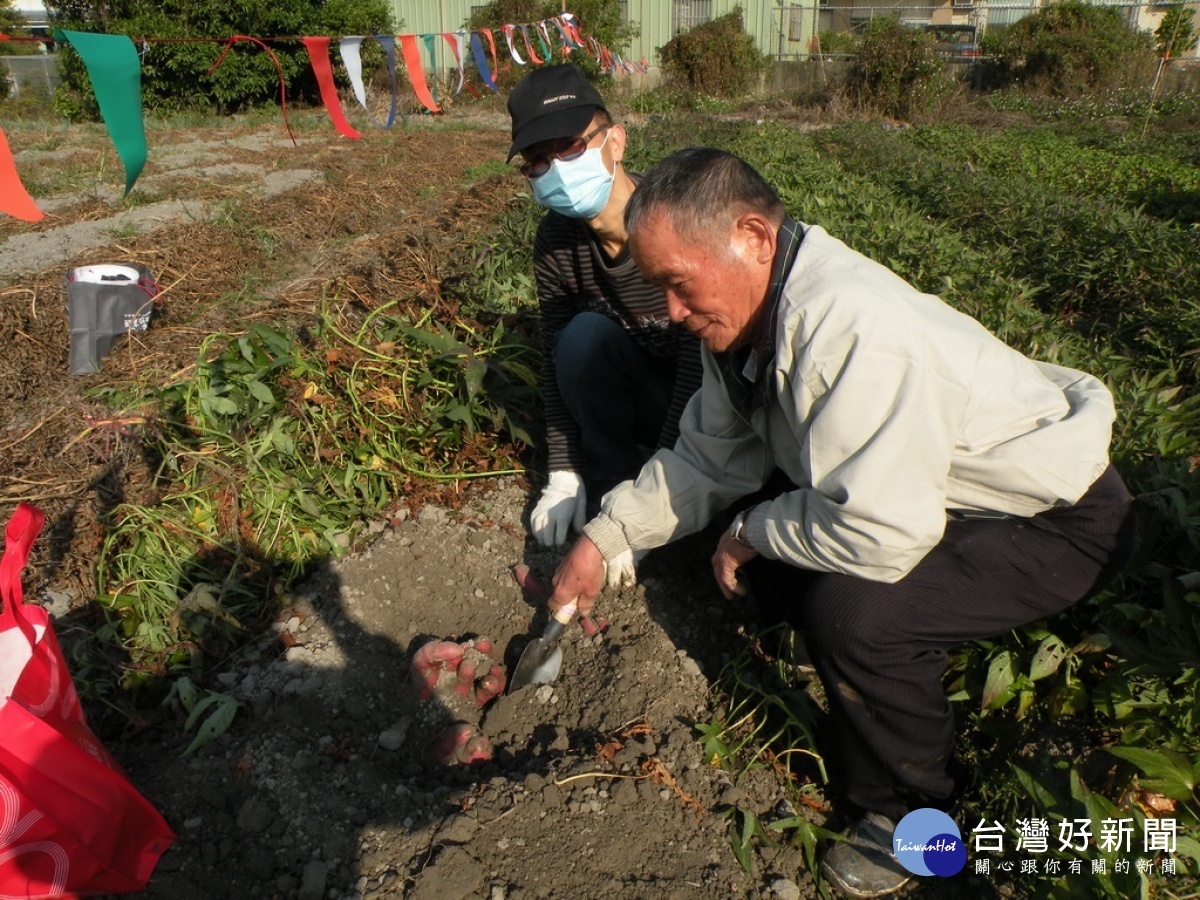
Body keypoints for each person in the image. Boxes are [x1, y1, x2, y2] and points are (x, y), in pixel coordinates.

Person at [547, 147, 1136, 898]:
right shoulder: (751, 320)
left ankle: (910, 818)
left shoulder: (848, 329)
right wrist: (604, 540)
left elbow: (885, 531)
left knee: (857, 618)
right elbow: (707, 457)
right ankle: (864, 691)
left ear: (754, 238)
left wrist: (754, 530)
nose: (669, 312)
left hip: (1057, 517)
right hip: (934, 494)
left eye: (677, 284)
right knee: (771, 540)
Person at [506, 64, 703, 560]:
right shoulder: (557, 241)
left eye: (570, 147)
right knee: (581, 337)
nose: (557, 170)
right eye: (537, 161)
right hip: (630, 395)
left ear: (616, 140)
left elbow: (698, 366)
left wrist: (651, 498)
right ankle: (610, 475)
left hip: (702, 409)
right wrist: (564, 471)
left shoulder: (674, 222)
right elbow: (556, 357)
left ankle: (654, 489)